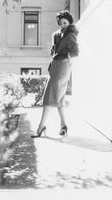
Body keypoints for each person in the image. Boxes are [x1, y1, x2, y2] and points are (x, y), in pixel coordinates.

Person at [31, 10, 79, 138]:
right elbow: (55, 50)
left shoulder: (70, 35)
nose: (63, 25)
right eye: (61, 23)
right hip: (55, 66)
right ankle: (63, 126)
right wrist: (55, 50)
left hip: (63, 66)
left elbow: (75, 52)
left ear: (69, 23)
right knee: (58, 98)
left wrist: (63, 55)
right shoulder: (58, 34)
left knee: (49, 96)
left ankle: (41, 126)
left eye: (65, 22)